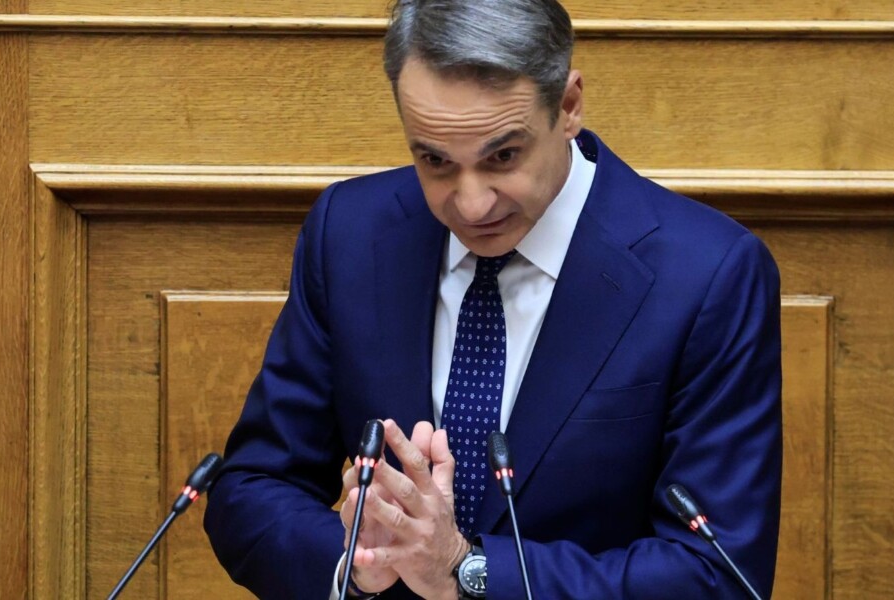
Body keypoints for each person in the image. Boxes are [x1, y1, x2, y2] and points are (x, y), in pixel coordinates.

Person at [204, 0, 782, 598]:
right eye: (435, 161)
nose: (472, 204)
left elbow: (717, 574)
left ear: (568, 106)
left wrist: (468, 569)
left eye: (503, 156)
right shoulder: (350, 233)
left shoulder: (707, 275)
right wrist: (355, 561)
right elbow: (251, 488)